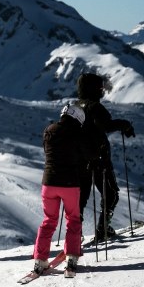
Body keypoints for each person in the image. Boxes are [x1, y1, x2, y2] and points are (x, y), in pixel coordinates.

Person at [32, 104, 93, 275]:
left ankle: (40, 260)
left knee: (49, 220)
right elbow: (87, 154)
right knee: (73, 220)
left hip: (48, 183)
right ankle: (71, 258)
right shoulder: (78, 133)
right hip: (69, 184)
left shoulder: (49, 130)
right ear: (78, 118)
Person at [76, 72, 136, 242]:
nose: (102, 90)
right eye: (99, 87)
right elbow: (106, 126)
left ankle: (74, 233)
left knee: (80, 198)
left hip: (78, 160)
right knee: (111, 194)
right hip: (98, 159)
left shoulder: (73, 107)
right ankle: (103, 229)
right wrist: (125, 125)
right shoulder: (95, 107)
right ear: (92, 88)